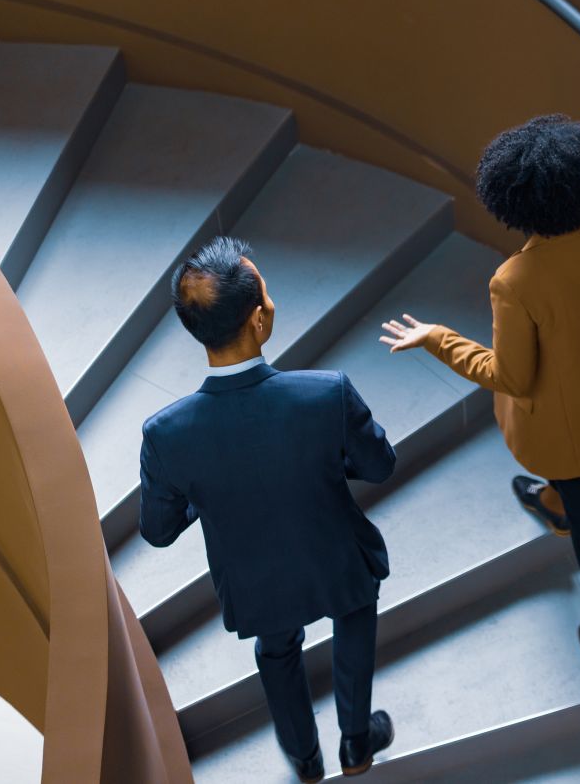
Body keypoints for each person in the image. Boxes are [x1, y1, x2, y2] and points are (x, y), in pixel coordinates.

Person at [379, 114, 580, 687]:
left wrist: (438, 337)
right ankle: (558, 503)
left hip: (575, 442)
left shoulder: (516, 280)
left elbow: (512, 378)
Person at [140, 236, 396, 781]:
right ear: (258, 321)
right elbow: (379, 466)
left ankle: (304, 758)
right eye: (267, 295)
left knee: (277, 653)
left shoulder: (166, 434)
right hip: (335, 557)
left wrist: (204, 496)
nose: (272, 302)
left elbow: (158, 530)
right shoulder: (325, 394)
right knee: (355, 618)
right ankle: (356, 743)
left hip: (256, 582)